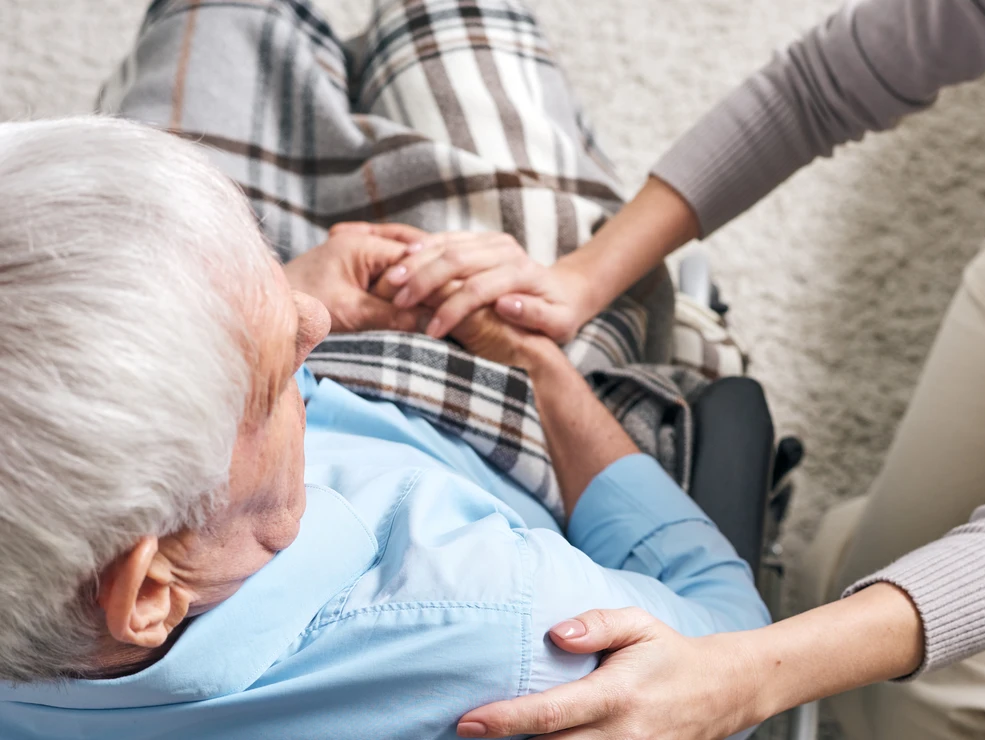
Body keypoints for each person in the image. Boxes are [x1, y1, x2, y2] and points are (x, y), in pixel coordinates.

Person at [424, 0, 985, 736]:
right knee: (843, 585)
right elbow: (822, 84)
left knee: (908, 698)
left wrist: (757, 674)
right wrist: (582, 277)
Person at [0, 116, 769, 739]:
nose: (317, 320)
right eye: (272, 388)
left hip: (254, 398)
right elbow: (731, 637)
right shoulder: (509, 626)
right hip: (509, 431)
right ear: (149, 592)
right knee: (488, 106)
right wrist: (543, 369)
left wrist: (260, 302)